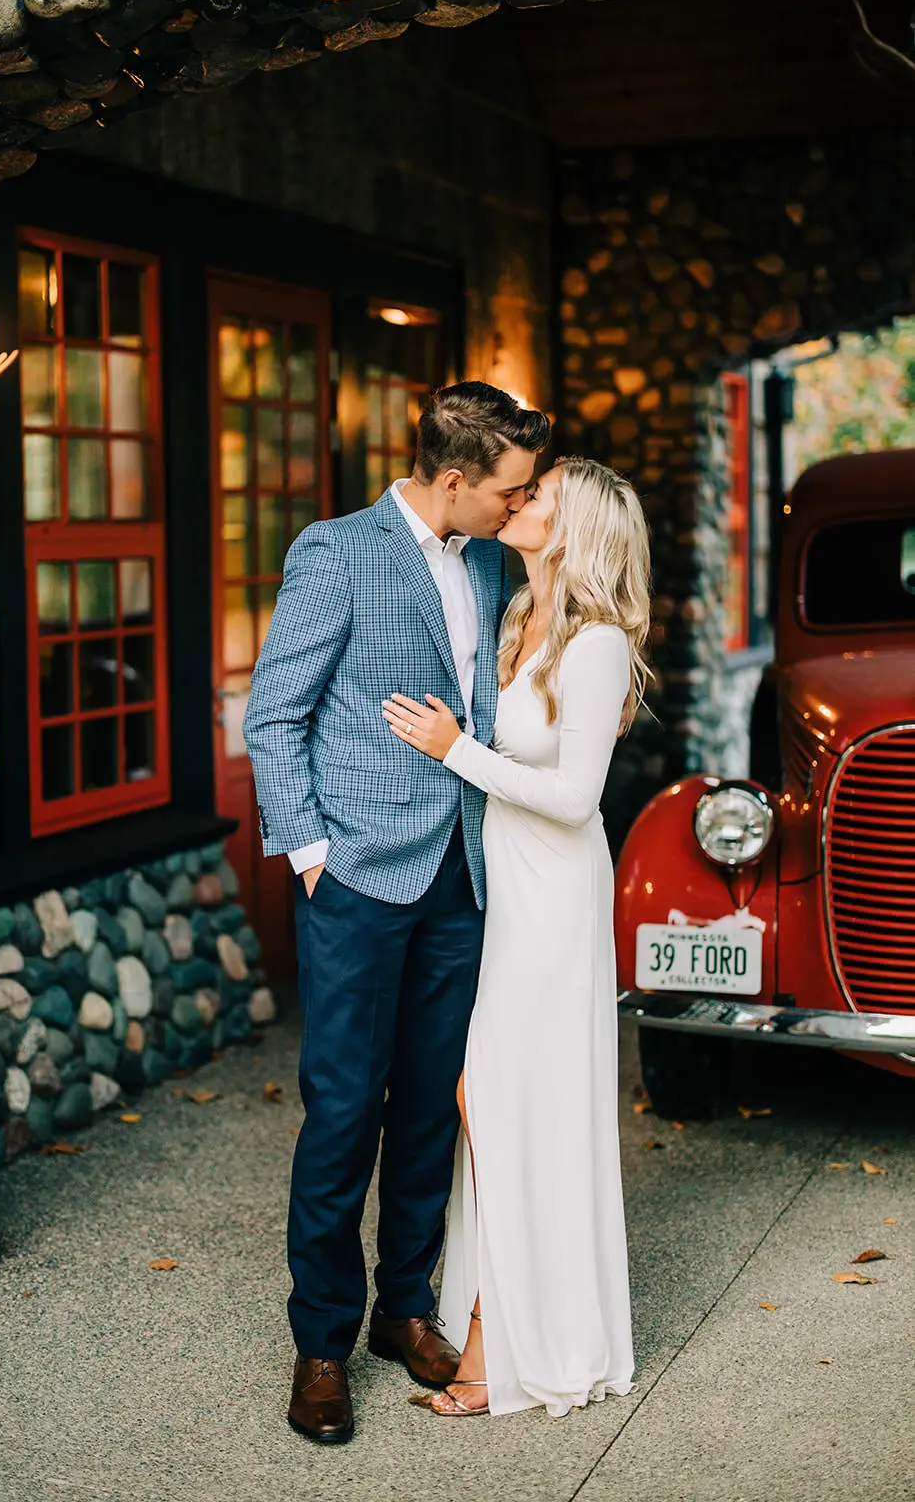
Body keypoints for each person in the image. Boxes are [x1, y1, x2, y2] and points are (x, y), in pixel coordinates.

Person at [242, 381, 551, 1444]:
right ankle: (321, 1343)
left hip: (462, 878)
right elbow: (273, 714)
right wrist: (316, 857)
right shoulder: (336, 551)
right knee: (340, 1114)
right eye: (508, 492)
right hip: (360, 880)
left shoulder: (486, 556)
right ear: (454, 479)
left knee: (428, 1105)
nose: (519, 509)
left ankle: (401, 1309)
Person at [381, 455, 650, 1419]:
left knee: (498, 1098)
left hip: (554, 894)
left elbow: (577, 800)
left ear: (575, 527)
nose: (521, 499)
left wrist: (458, 750)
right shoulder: (519, 621)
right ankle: (506, 1327)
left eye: (540, 496)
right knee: (495, 1098)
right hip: (506, 888)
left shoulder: (597, 645)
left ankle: (507, 1343)